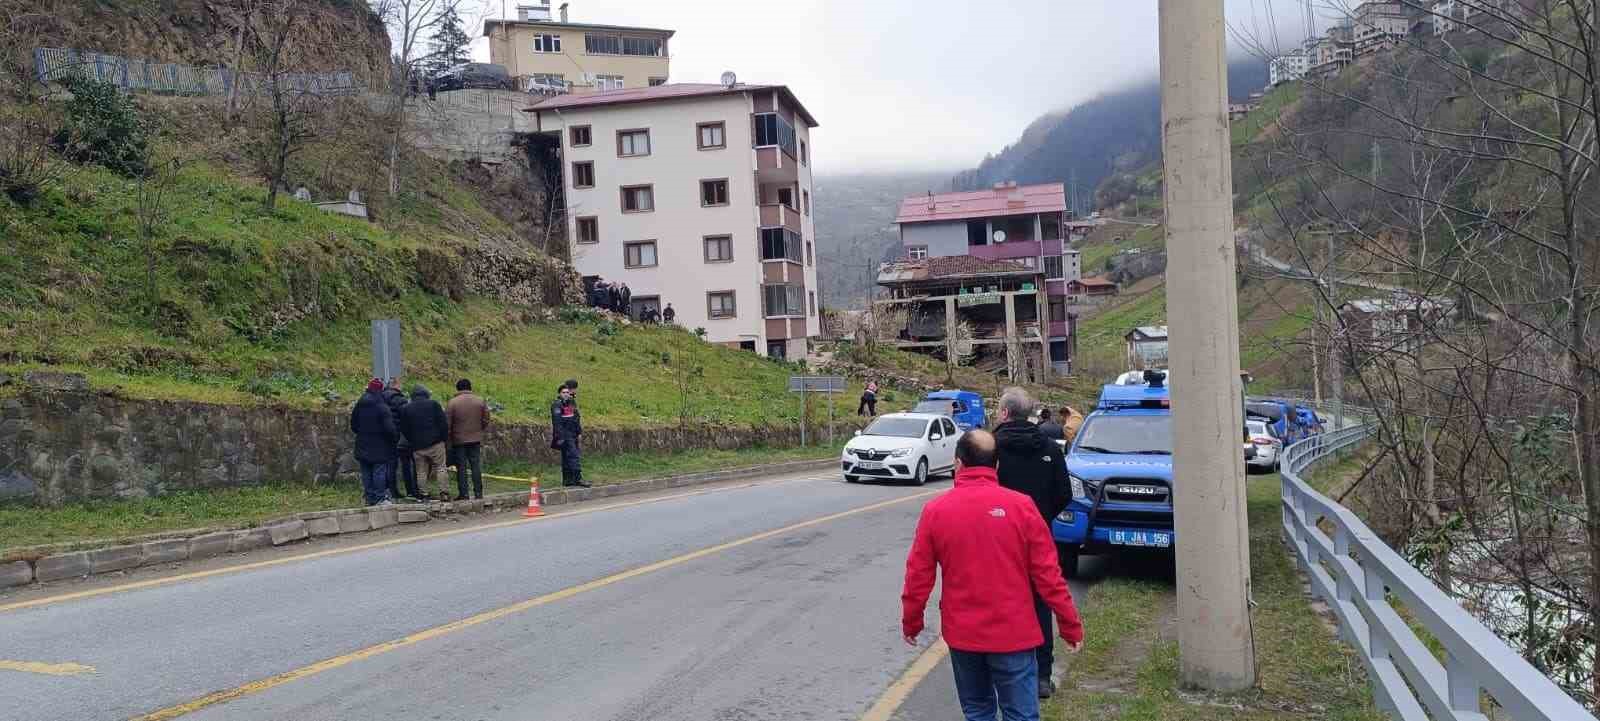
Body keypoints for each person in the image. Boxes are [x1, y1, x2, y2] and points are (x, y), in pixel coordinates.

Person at [902, 430, 1083, 721]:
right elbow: (1049, 575)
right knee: (1021, 714)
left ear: (958, 463)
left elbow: (918, 575)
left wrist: (912, 621)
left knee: (977, 711)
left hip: (963, 635)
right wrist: (1069, 624)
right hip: (1015, 633)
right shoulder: (1022, 507)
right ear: (996, 466)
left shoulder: (936, 510)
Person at [991, 387, 1073, 698]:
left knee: (998, 603)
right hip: (1039, 539)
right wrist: (1042, 518)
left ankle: (999, 671)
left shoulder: (992, 449)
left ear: (1003, 414)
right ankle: (1041, 676)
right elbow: (1064, 493)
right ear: (1031, 414)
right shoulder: (1051, 448)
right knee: (1041, 605)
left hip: (998, 542)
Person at [350, 378, 398, 506]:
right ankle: (380, 498)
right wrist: (393, 439)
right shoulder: (382, 407)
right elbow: (390, 429)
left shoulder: (359, 405)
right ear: (380, 390)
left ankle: (369, 498)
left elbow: (353, 425)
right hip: (379, 446)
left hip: (362, 444)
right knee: (379, 471)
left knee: (366, 472)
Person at [399, 384, 450, 501]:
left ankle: (424, 494)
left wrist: (412, 440)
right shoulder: (434, 404)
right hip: (436, 443)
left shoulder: (406, 408)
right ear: (426, 394)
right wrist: (443, 438)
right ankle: (444, 493)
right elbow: (443, 424)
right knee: (441, 467)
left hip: (417, 446)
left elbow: (404, 428)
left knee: (421, 471)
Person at [446, 378, 491, 500]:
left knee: (461, 467)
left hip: (458, 440)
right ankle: (478, 493)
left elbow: (448, 424)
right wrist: (479, 429)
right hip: (475, 438)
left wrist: (449, 439)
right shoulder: (480, 401)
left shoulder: (452, 403)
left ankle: (464, 494)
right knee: (475, 465)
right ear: (470, 387)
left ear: (458, 388)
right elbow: (486, 418)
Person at [382, 378, 417, 502]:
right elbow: (407, 416)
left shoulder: (380, 397)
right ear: (396, 385)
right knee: (399, 464)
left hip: (383, 435)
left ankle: (388, 490)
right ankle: (408, 491)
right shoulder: (399, 399)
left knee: (386, 464)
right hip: (398, 435)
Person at [551, 380, 588, 487]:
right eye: (564, 392)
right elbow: (557, 422)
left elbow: (576, 418)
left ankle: (568, 481)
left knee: (568, 457)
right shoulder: (557, 405)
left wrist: (579, 432)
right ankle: (578, 479)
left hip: (573, 433)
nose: (566, 394)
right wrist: (561, 437)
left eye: (567, 392)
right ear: (559, 394)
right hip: (565, 435)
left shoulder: (572, 403)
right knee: (573, 456)